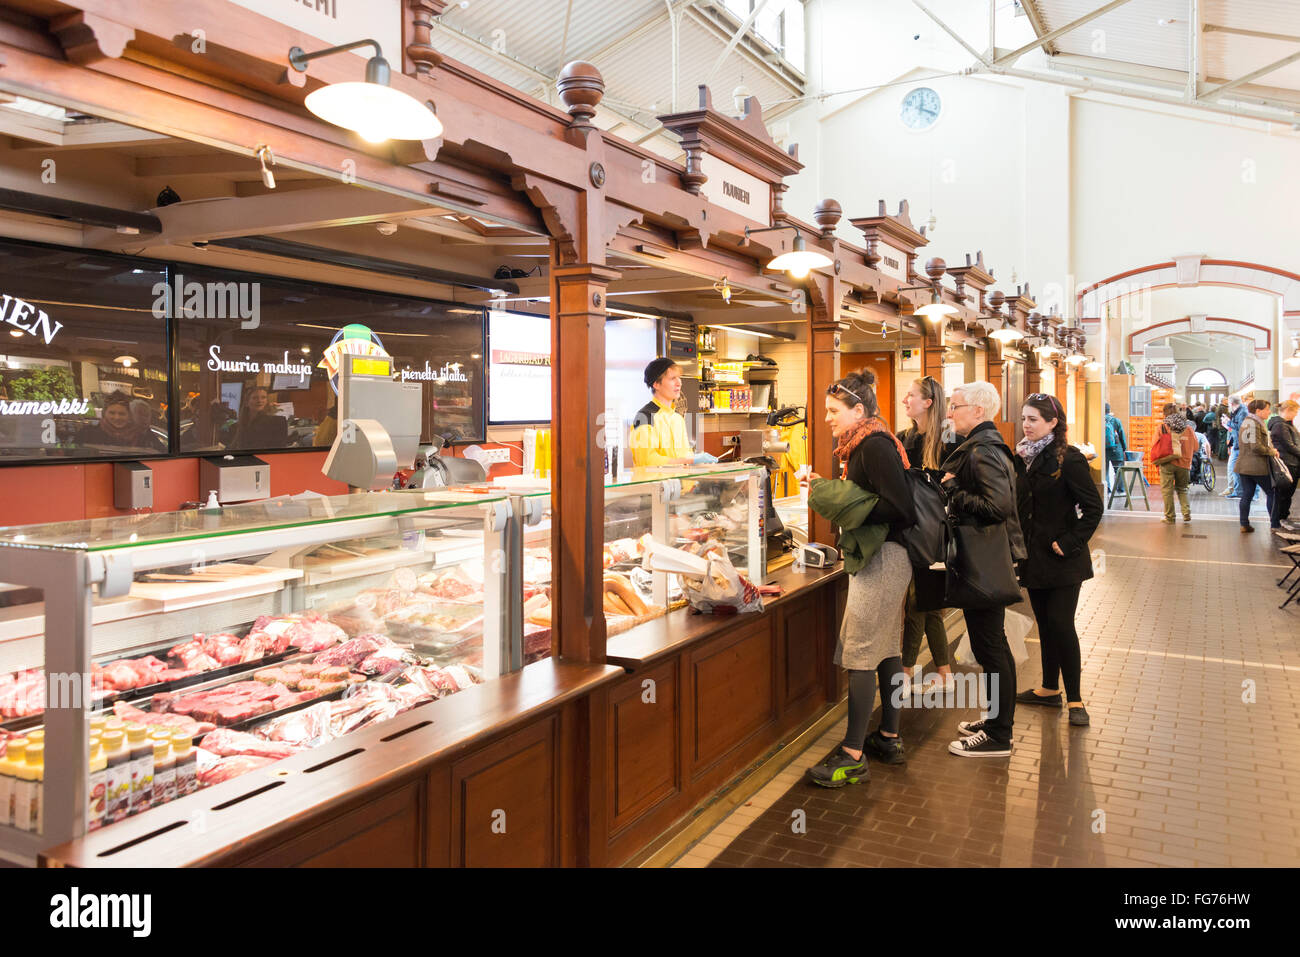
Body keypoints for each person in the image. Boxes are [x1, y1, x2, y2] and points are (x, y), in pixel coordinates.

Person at [804, 370, 916, 786]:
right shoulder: (869, 443)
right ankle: (888, 736)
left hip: (884, 558)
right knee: (886, 648)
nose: (828, 418)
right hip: (888, 556)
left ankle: (852, 754)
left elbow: (901, 507)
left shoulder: (872, 446)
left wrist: (844, 499)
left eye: (835, 411)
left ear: (859, 410)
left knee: (860, 651)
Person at [941, 381, 1026, 757]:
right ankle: (995, 720)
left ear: (978, 411)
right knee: (991, 644)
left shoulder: (982, 451)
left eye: (955, 406)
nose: (949, 413)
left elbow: (997, 506)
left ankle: (998, 736)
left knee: (990, 646)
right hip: (987, 561)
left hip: (984, 564)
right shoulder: (985, 446)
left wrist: (953, 487)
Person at [1013, 394, 1103, 727]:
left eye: (1034, 419)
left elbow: (1093, 509)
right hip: (1033, 558)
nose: (1026, 425)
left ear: (1053, 423)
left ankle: (1076, 699)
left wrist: (1069, 542)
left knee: (1062, 625)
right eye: (1024, 418)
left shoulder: (1070, 459)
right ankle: (1049, 689)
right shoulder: (1022, 457)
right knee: (1046, 625)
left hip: (1064, 560)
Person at [897, 375, 958, 691]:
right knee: (930, 604)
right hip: (912, 529)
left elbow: (956, 483)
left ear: (928, 402)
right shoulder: (904, 438)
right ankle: (945, 673)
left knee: (919, 602)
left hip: (935, 533)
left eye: (911, 396)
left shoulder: (949, 440)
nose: (905, 400)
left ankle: (905, 673)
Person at [629, 358, 717, 467]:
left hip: (680, 483)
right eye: (672, 378)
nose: (679, 383)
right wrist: (689, 460)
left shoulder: (677, 418)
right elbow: (647, 460)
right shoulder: (644, 417)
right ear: (656, 384)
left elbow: (684, 455)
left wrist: (698, 463)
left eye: (679, 378)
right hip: (656, 484)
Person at [1233, 398, 1279, 533]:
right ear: (1258, 411)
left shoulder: (1249, 422)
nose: (1269, 412)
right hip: (1256, 466)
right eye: (1267, 409)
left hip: (1244, 466)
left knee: (1247, 494)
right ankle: (1274, 524)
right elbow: (1256, 447)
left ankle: (1244, 524)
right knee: (1272, 493)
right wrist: (1272, 451)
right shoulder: (1253, 424)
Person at [1151, 403, 1197, 524]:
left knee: (1167, 490)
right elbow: (1196, 447)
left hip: (1167, 462)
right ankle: (1186, 512)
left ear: (1164, 413)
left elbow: (1154, 445)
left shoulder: (1162, 427)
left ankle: (1170, 517)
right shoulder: (1188, 428)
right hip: (1185, 463)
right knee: (1182, 489)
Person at [77, 392, 156, 451]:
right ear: (104, 413)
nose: (117, 417)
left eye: (122, 414)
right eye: (112, 413)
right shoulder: (87, 434)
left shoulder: (144, 436)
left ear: (129, 416)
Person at [1268, 400, 1300, 530]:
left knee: (1287, 494)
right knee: (1284, 494)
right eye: (1295, 411)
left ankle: (1283, 517)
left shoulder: (1286, 425)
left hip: (1292, 462)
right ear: (1288, 410)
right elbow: (1289, 446)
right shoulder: (1280, 426)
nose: (1296, 414)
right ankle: (1280, 518)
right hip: (1288, 463)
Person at [1223, 396, 1247, 497]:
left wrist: (1228, 422)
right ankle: (1237, 491)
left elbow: (1240, 427)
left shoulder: (1243, 412)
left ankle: (1239, 492)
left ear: (1231, 404)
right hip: (1237, 443)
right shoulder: (1238, 411)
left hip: (1240, 444)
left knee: (1234, 468)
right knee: (1233, 468)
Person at [1104, 402, 1127, 493]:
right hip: (1116, 449)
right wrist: (1124, 448)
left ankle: (1107, 488)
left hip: (1103, 449)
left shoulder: (1099, 420)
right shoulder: (1116, 421)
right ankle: (1120, 488)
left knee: (1104, 470)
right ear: (1109, 410)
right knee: (1119, 469)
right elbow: (1122, 436)